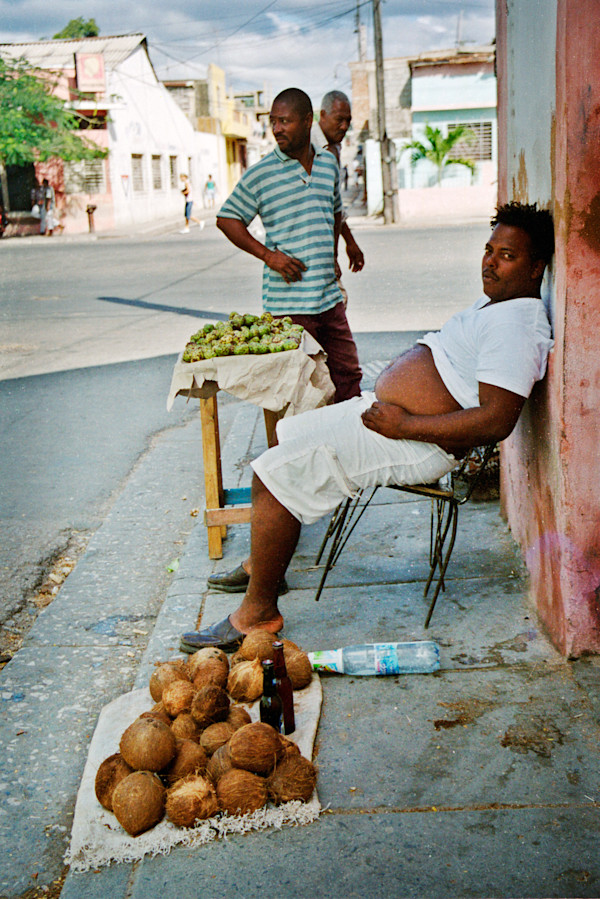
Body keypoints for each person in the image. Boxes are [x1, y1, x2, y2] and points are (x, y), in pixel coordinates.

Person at [180, 202, 555, 652]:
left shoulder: (517, 325)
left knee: (274, 475)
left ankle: (257, 614)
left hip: (416, 442)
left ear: (536, 268)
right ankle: (264, 568)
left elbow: (496, 421)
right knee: (285, 439)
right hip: (392, 420)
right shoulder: (499, 304)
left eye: (506, 256)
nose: (490, 262)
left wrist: (407, 424)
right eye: (489, 249)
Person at [216, 87, 363, 405]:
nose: (277, 129)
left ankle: (348, 448)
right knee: (296, 391)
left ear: (308, 121)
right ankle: (293, 453)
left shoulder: (328, 163)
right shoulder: (261, 174)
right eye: (273, 121)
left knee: (348, 376)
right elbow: (227, 219)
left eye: (284, 121)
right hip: (288, 308)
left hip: (329, 298)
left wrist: (335, 252)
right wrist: (269, 256)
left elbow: (336, 210)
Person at [312, 89, 365, 278]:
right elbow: (319, 206)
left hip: (326, 253)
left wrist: (349, 242)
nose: (344, 126)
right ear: (323, 115)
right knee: (338, 301)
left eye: (348, 121)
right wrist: (330, 259)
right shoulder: (310, 147)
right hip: (312, 252)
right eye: (339, 120)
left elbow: (334, 204)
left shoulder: (334, 145)